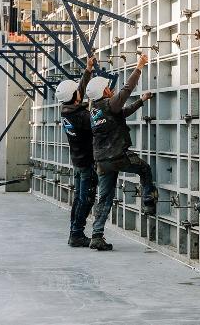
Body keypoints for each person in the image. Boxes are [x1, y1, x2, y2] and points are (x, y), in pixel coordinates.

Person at [86, 52, 156, 251]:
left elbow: (122, 113)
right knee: (144, 168)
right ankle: (149, 201)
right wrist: (140, 66)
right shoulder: (110, 103)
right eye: (108, 88)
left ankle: (96, 236)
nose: (112, 89)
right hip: (117, 156)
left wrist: (141, 101)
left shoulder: (95, 110)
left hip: (101, 161)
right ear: (104, 91)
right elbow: (126, 90)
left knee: (105, 197)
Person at [54, 56, 98, 248]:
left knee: (79, 199)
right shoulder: (80, 115)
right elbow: (97, 124)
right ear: (75, 98)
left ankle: (75, 231)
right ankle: (77, 234)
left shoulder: (67, 109)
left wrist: (88, 70)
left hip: (78, 161)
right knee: (85, 199)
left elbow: (77, 92)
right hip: (87, 162)